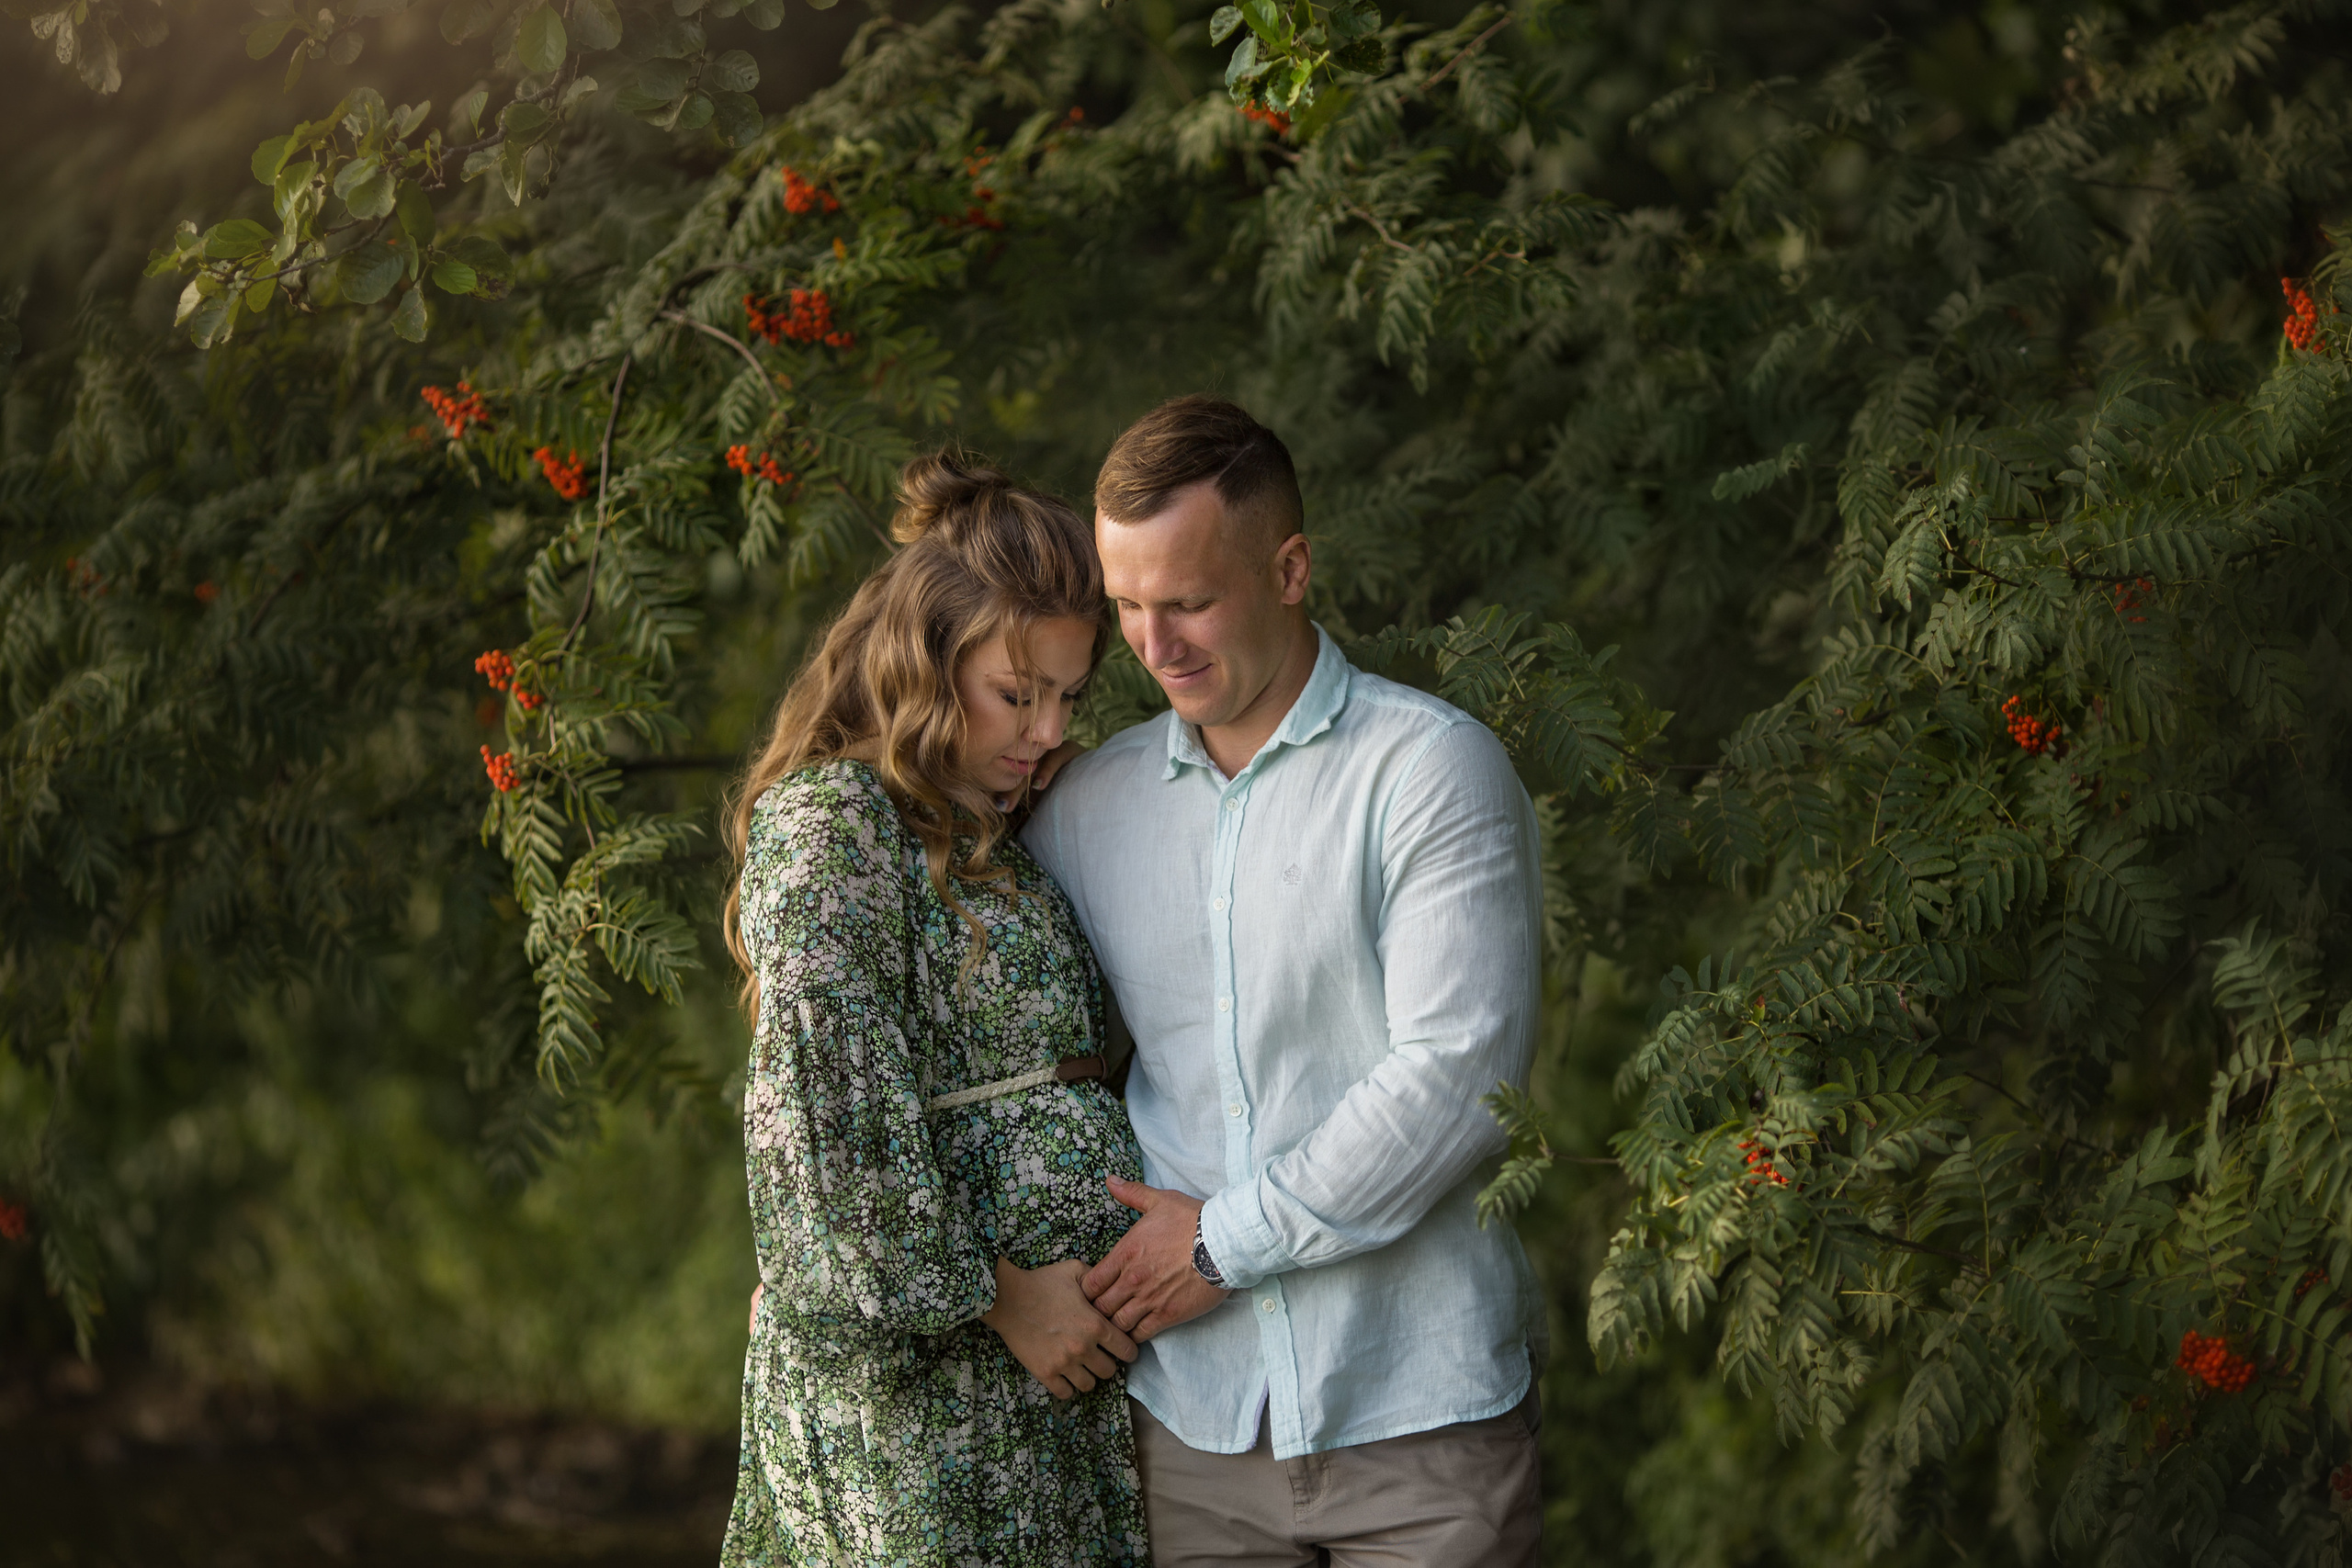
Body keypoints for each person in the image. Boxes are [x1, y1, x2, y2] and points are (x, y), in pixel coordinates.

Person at [1022, 396, 1547, 1567]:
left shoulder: (1428, 771)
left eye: (1189, 601)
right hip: (1186, 1430)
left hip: (1419, 1415)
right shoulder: (1083, 808)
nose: (1154, 646)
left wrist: (1221, 1244)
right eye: (1127, 607)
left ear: (1291, 569)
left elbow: (1457, 1082)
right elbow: (967, 1032)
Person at [719, 452, 1150, 1567]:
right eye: (1018, 693)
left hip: (1034, 1403)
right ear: (925, 656)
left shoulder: (988, 827)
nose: (1046, 728)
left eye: (1068, 696)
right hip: (928, 1404)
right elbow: (820, 1138)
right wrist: (1002, 1300)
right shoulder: (835, 828)